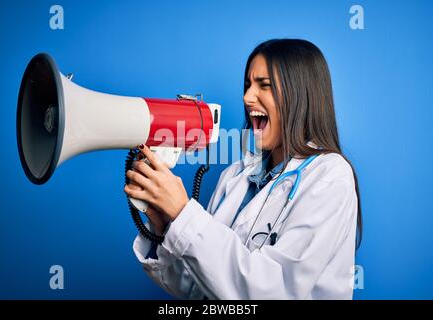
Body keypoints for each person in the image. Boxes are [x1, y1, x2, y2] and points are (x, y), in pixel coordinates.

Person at [124, 39, 362, 299]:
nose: (247, 97)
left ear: (300, 96)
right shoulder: (235, 176)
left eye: (264, 85)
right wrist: (164, 222)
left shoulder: (330, 176)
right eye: (248, 85)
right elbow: (196, 286)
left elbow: (276, 291)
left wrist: (184, 213)